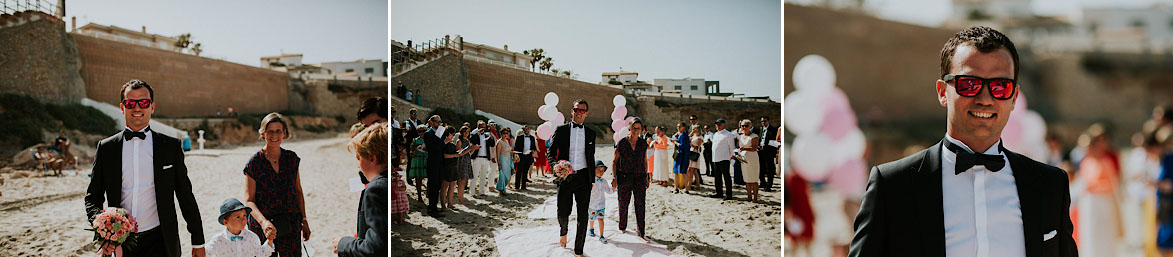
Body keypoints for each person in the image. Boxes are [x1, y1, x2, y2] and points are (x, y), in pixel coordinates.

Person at [848, 26, 1077, 256]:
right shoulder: (892, 186)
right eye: (969, 84)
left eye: (1000, 86)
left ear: (1014, 97)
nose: (985, 99)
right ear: (942, 92)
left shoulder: (1050, 185)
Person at [84, 80, 206, 257]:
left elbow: (185, 195)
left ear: (152, 106)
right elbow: (92, 196)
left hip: (161, 240)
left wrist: (198, 240)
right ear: (122, 107)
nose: (137, 108)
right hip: (120, 243)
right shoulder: (106, 148)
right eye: (130, 103)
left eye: (143, 102)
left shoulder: (170, 147)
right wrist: (102, 231)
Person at [243, 112, 311, 256]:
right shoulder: (254, 162)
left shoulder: (291, 159)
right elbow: (249, 200)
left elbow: (298, 191)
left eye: (278, 131)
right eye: (270, 132)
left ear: (284, 133)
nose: (274, 135)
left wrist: (304, 219)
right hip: (264, 227)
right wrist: (264, 223)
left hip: (290, 223)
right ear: (263, 134)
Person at [547, 99, 598, 256]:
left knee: (583, 215)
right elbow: (550, 151)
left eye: (582, 111)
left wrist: (592, 180)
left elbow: (591, 157)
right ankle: (563, 231)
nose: (579, 113)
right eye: (576, 110)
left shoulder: (591, 133)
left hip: (583, 177)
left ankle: (578, 250)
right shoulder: (561, 130)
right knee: (563, 211)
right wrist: (556, 165)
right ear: (572, 111)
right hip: (565, 177)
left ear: (586, 114)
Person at [333, 123, 390, 256]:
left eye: (359, 158)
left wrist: (343, 243)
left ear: (372, 158)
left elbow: (375, 248)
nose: (358, 165)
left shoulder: (375, 189)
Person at [1075, 124, 1122, 256]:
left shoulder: (1106, 162)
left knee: (1104, 234)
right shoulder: (1086, 162)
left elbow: (1112, 184)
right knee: (1090, 233)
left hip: (1103, 202)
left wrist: (1095, 187)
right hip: (1089, 203)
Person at [612, 117, 649, 241]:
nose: (636, 130)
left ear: (641, 130)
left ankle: (641, 231)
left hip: (639, 177)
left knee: (640, 204)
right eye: (634, 128)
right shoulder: (622, 142)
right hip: (624, 176)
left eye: (638, 128)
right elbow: (614, 161)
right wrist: (614, 178)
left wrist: (647, 176)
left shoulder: (643, 144)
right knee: (623, 203)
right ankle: (622, 226)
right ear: (629, 128)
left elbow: (645, 161)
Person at [206, 198, 274, 257]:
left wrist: (270, 240)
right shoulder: (218, 240)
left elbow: (261, 254)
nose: (243, 219)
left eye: (244, 215)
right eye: (238, 217)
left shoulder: (252, 237)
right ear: (225, 222)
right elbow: (205, 253)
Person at [424, 115, 448, 217]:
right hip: (432, 162)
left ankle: (434, 207)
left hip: (440, 162)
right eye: (437, 121)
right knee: (433, 186)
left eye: (440, 122)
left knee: (438, 185)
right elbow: (432, 148)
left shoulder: (440, 132)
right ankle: (431, 209)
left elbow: (442, 147)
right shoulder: (428, 133)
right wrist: (443, 142)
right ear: (431, 122)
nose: (439, 124)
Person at [710, 119, 737, 200]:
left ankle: (729, 195)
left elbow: (732, 147)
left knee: (726, 177)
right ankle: (719, 193)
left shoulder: (728, 134)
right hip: (715, 158)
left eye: (719, 124)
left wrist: (732, 157)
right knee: (717, 177)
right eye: (716, 124)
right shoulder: (715, 134)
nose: (717, 126)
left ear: (723, 125)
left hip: (724, 158)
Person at [588, 161, 614, 244]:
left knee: (601, 220)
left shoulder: (604, 181)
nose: (601, 172)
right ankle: (591, 228)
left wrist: (614, 188)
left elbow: (608, 191)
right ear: (594, 170)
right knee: (592, 218)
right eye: (599, 170)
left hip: (601, 204)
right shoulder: (591, 181)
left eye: (603, 171)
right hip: (592, 204)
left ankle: (602, 235)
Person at [469, 121, 497, 196]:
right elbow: (471, 140)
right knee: (474, 176)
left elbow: (492, 144)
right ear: (478, 127)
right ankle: (472, 192)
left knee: (483, 176)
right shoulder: (474, 134)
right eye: (481, 127)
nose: (482, 128)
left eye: (483, 127)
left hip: (485, 158)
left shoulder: (486, 135)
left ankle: (482, 191)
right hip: (477, 158)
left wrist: (491, 138)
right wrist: (477, 133)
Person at [737, 119, 761, 203]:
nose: (744, 127)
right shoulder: (740, 136)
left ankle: (755, 198)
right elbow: (738, 147)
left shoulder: (754, 136)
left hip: (752, 158)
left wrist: (744, 148)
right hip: (744, 158)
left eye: (746, 126)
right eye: (742, 126)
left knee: (753, 179)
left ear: (750, 126)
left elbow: (754, 148)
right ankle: (749, 196)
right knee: (746, 178)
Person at [408, 125, 429, 202]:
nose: (422, 133)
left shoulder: (429, 140)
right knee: (418, 179)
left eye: (424, 131)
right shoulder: (415, 141)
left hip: (427, 159)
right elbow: (410, 153)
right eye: (420, 131)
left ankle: (428, 192)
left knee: (429, 177)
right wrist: (415, 151)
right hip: (417, 160)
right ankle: (419, 196)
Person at [514, 125, 537, 190]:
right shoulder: (519, 137)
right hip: (521, 156)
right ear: (523, 130)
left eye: (528, 129)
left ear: (530, 130)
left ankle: (523, 186)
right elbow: (516, 147)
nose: (527, 130)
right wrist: (517, 155)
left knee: (525, 172)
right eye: (525, 129)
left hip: (528, 156)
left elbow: (534, 147)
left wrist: (533, 150)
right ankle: (517, 186)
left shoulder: (532, 138)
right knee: (519, 172)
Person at [759, 116, 779, 191]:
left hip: (769, 152)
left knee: (770, 169)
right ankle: (762, 182)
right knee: (761, 167)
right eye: (762, 121)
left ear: (768, 121)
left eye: (764, 121)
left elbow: (775, 141)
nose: (763, 123)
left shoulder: (773, 130)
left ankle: (769, 185)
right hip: (760, 151)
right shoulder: (761, 129)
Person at [671, 122, 690, 193]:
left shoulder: (683, 135)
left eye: (679, 127)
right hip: (681, 156)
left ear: (683, 127)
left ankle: (681, 188)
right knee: (678, 172)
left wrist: (675, 142)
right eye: (677, 127)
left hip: (681, 156)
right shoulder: (682, 135)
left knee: (681, 172)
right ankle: (678, 188)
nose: (678, 128)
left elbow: (682, 145)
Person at [496, 128, 515, 195]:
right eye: (504, 133)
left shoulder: (507, 141)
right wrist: (499, 163)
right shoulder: (499, 142)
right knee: (502, 175)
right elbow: (497, 153)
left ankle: (503, 187)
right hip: (502, 159)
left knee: (508, 175)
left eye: (506, 133)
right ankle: (501, 189)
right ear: (501, 134)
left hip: (508, 159)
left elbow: (509, 150)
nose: (505, 135)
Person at [686, 125, 705, 193]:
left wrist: (690, 143)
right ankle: (698, 185)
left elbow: (697, 147)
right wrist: (691, 133)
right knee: (694, 171)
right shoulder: (694, 136)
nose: (693, 130)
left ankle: (689, 185)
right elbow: (687, 137)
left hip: (695, 153)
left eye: (694, 129)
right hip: (691, 152)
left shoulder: (700, 137)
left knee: (691, 170)